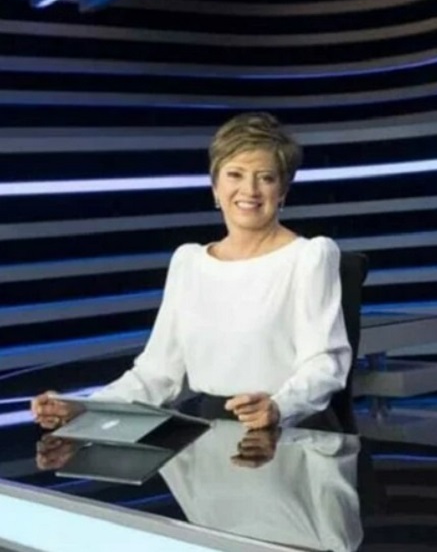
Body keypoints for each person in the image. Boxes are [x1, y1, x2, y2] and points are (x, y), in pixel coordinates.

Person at [30, 112, 352, 432]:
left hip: (288, 433)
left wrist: (280, 407)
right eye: (235, 175)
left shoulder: (310, 256)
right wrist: (84, 407)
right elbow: (157, 375)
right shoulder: (189, 262)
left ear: (282, 191)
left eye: (265, 177)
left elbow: (324, 365)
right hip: (208, 434)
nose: (250, 190)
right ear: (215, 186)